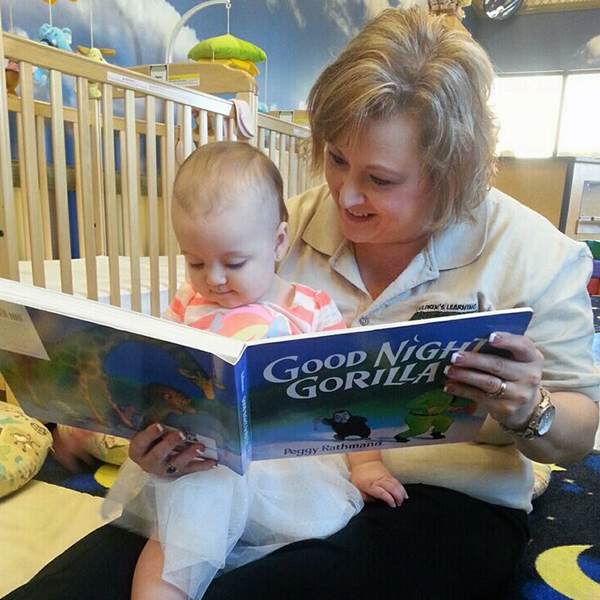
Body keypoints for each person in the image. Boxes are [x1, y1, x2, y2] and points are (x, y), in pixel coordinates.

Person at [7, 7, 598, 600]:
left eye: (382, 179)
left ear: (451, 174)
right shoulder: (270, 228)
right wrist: (159, 435)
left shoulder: (536, 256)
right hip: (240, 481)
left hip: (440, 495)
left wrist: (532, 407)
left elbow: (579, 427)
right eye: (337, 159)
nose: (347, 193)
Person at [104, 141, 407, 600]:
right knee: (170, 554)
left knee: (312, 564)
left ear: (278, 242)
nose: (215, 279)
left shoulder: (311, 308)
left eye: (234, 262)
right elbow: (158, 372)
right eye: (196, 262)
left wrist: (366, 465)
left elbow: (347, 398)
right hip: (204, 469)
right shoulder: (188, 304)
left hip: (290, 474)